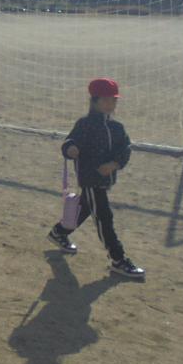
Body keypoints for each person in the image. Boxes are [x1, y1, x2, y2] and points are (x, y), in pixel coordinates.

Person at [47, 79, 145, 279]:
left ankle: (59, 232)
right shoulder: (85, 124)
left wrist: (115, 164)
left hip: (104, 179)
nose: (111, 104)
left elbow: (125, 148)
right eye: (106, 100)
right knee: (104, 218)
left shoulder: (117, 127)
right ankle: (118, 259)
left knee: (83, 208)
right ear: (94, 101)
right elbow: (70, 141)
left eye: (114, 100)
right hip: (90, 179)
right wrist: (70, 149)